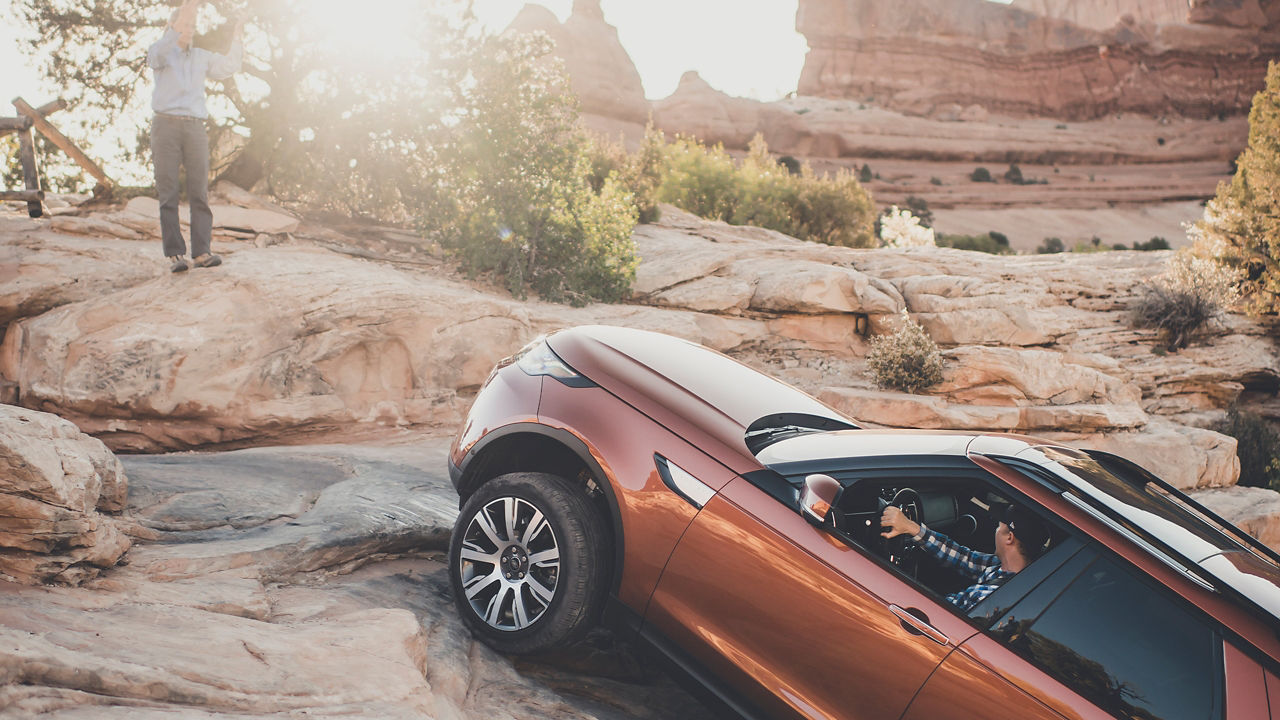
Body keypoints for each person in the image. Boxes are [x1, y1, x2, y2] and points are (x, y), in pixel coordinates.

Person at [146, 0, 243, 273]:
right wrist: (180, 21)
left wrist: (237, 37)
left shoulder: (201, 57)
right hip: (165, 126)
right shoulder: (161, 53)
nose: (190, 30)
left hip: (195, 128)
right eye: (185, 24)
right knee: (169, 191)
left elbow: (228, 67)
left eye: (192, 25)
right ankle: (176, 254)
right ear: (173, 26)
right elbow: (155, 56)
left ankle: (202, 252)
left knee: (199, 191)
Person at [880, 501, 1049, 612]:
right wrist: (911, 527)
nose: (995, 530)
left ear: (1009, 538)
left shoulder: (988, 596)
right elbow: (963, 557)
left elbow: (936, 611)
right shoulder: (1005, 567)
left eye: (999, 527)